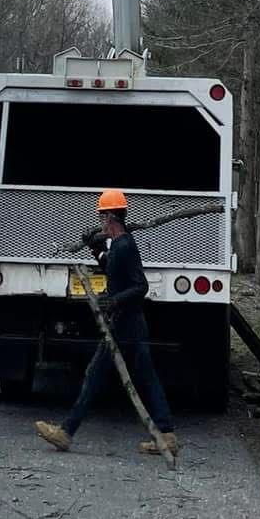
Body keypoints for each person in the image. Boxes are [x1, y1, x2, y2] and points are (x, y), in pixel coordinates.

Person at [35, 189, 178, 457]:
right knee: (146, 377)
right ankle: (166, 435)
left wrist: (114, 302)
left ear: (111, 216)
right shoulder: (120, 244)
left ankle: (66, 432)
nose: (100, 221)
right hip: (129, 323)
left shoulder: (125, 244)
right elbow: (111, 266)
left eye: (102, 215)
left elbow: (140, 286)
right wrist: (96, 250)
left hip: (126, 324)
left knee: (94, 376)